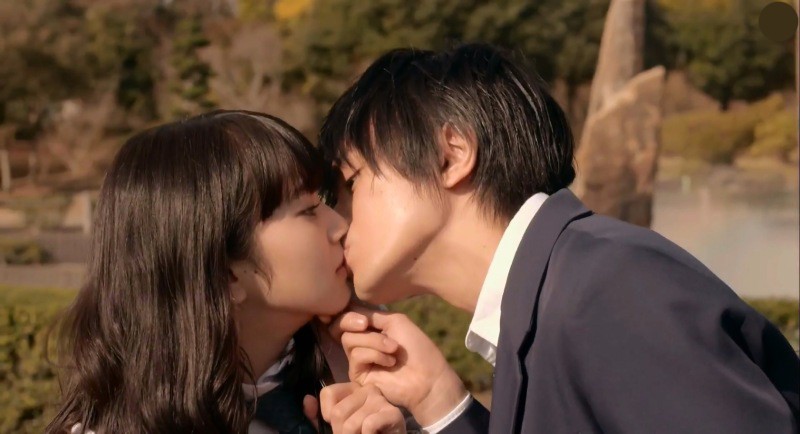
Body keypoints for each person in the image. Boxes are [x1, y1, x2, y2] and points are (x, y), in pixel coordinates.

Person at [318, 43, 800, 433]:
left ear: (451, 155)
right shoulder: (560, 293)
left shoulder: (607, 291)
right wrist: (441, 405)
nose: (337, 223)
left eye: (352, 184)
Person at [46, 110, 406, 434]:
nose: (341, 225)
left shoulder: (361, 378)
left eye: (323, 201)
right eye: (308, 210)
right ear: (225, 274)